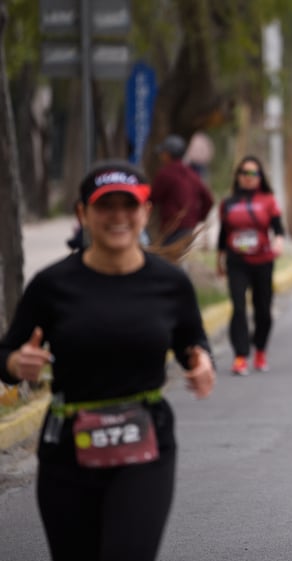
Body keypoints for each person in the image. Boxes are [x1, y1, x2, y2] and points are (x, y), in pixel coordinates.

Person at [0, 160, 216, 561]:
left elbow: (193, 341)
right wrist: (17, 364)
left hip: (145, 447)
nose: (118, 217)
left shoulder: (169, 283)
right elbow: (5, 354)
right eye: (105, 207)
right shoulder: (52, 285)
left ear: (145, 211)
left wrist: (201, 363)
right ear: (83, 214)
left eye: (128, 206)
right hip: (67, 452)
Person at [216, 156, 285, 375]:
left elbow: (279, 229)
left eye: (253, 173)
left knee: (263, 310)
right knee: (238, 307)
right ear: (238, 177)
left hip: (263, 261)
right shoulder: (227, 203)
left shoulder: (268, 200)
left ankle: (260, 350)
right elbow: (223, 234)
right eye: (244, 173)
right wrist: (219, 260)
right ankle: (240, 356)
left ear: (260, 177)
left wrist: (279, 243)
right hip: (237, 261)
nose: (248, 178)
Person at [148, 134, 215, 259]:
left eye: (163, 153)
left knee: (169, 263)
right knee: (178, 260)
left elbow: (152, 199)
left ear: (168, 154)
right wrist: (196, 218)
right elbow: (209, 200)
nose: (161, 156)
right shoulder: (192, 174)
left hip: (172, 228)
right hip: (188, 229)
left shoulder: (166, 174)